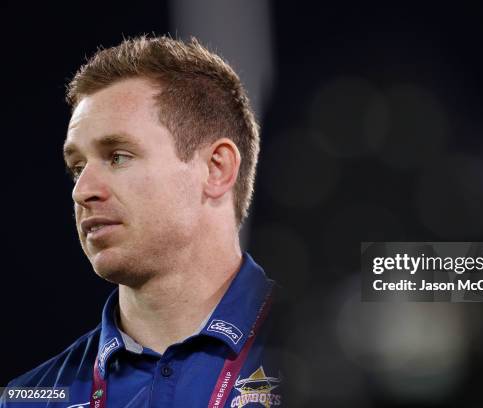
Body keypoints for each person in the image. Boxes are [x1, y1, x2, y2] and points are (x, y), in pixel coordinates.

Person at [1, 35, 282, 408]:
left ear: (216, 169)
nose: (82, 191)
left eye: (117, 156)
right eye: (77, 167)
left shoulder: (330, 358)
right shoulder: (29, 400)